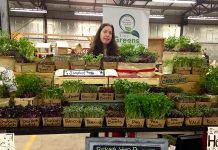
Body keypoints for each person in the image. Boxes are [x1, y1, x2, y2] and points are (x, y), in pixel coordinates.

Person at [89, 23, 125, 138]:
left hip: (113, 90)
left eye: (110, 33)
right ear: (99, 33)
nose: (107, 35)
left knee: (117, 119)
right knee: (95, 123)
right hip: (97, 91)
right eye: (105, 31)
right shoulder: (92, 52)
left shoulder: (116, 53)